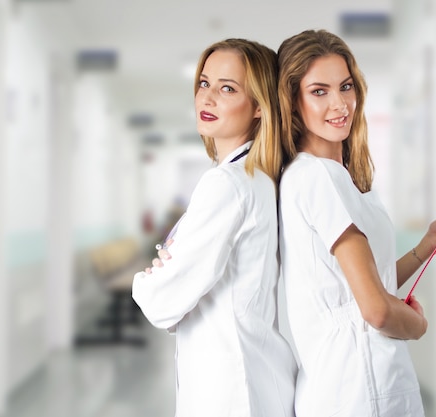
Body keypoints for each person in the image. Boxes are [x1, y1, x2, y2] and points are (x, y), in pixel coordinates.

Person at [276, 29, 436, 417]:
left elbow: (364, 285)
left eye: (346, 86)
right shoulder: (316, 178)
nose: (340, 104)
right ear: (292, 102)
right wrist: (418, 326)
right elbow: (377, 310)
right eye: (319, 91)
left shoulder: (340, 178)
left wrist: (426, 246)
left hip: (356, 384)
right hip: (357, 387)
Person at [132, 38, 296, 417]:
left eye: (228, 88)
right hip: (256, 376)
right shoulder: (258, 179)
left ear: (259, 107)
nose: (207, 98)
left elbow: (162, 303)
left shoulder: (227, 185)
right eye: (204, 83)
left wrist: (147, 281)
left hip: (229, 390)